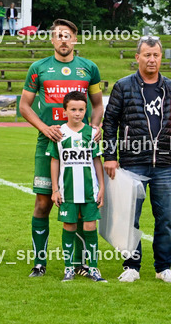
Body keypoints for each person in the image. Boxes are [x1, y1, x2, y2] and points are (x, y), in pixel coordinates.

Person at [19, 19, 104, 277]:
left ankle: (78, 264)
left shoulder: (89, 68)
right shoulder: (39, 68)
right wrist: (45, 129)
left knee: (80, 201)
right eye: (58, 36)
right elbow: (24, 106)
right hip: (49, 142)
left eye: (68, 36)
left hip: (81, 144)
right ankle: (39, 262)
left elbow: (97, 105)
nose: (63, 40)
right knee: (43, 202)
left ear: (75, 39)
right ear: (52, 40)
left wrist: (95, 127)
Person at [102, 35, 171, 283]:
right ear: (137, 57)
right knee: (130, 217)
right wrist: (110, 156)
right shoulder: (123, 86)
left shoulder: (169, 87)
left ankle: (164, 267)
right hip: (133, 162)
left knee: (166, 219)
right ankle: (131, 266)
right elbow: (109, 122)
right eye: (147, 55)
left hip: (165, 164)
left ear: (160, 57)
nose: (152, 59)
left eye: (156, 55)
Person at [48, 91, 106, 282]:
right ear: (65, 111)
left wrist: (102, 187)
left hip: (90, 190)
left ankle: (94, 268)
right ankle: (69, 267)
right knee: (70, 226)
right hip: (67, 191)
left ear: (85, 110)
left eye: (81, 109)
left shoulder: (92, 133)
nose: (77, 113)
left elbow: (97, 161)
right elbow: (55, 161)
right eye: (73, 109)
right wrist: (55, 189)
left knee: (90, 226)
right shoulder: (59, 133)